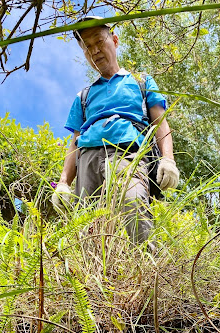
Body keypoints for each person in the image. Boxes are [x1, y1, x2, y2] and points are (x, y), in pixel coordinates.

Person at [51, 17, 179, 244]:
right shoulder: (84, 96)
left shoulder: (141, 81)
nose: (94, 51)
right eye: (87, 47)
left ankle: (147, 274)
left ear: (115, 40)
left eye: (99, 41)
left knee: (133, 208)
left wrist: (168, 160)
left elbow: (160, 122)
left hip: (126, 152)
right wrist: (63, 183)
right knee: (89, 231)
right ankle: (93, 278)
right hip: (87, 161)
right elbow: (75, 141)